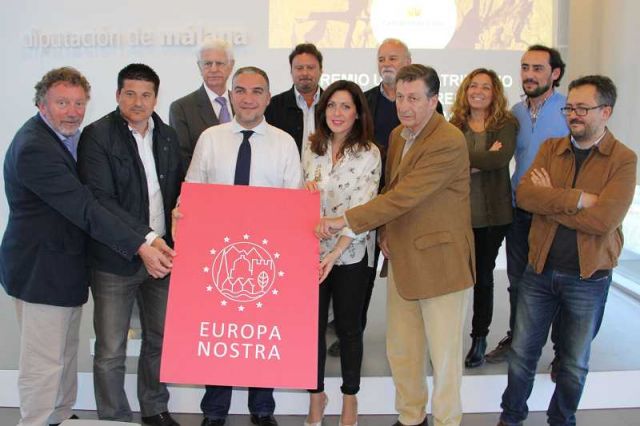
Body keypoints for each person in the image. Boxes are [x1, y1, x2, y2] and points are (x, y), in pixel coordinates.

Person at [0, 67, 169, 426]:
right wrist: (142, 242)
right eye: (62, 103)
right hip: (41, 270)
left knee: (62, 355)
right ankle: (38, 420)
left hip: (62, 269)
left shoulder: (62, 138)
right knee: (45, 362)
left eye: (79, 103)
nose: (73, 111)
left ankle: (59, 416)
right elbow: (86, 206)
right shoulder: (35, 148)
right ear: (42, 105)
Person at [317, 64, 474, 426]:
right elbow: (391, 192)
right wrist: (384, 233)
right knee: (403, 352)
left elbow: (405, 195)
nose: (405, 106)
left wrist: (344, 219)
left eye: (415, 98)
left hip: (441, 266)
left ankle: (447, 421)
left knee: (445, 357)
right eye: (401, 97)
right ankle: (410, 418)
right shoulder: (401, 136)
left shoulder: (448, 140)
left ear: (434, 100)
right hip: (402, 260)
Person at [498, 75, 636, 426]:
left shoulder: (623, 160)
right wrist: (576, 199)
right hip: (539, 271)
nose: (572, 114)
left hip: (588, 278)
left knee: (573, 364)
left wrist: (552, 201)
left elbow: (604, 220)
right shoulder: (551, 149)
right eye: (569, 107)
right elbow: (527, 197)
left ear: (605, 112)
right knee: (521, 357)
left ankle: (561, 420)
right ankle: (510, 418)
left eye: (582, 108)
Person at [179, 66, 302, 426]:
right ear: (231, 95)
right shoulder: (210, 138)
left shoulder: (284, 142)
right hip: (216, 257)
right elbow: (193, 192)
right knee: (221, 334)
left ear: (268, 97)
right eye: (241, 90)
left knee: (261, 335)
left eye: (257, 91)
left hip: (268, 257)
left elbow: (294, 202)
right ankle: (214, 411)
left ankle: (262, 410)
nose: (248, 98)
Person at [77, 64, 183, 426]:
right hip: (114, 259)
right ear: (118, 94)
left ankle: (154, 408)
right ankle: (114, 418)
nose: (138, 102)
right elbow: (101, 200)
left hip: (163, 257)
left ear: (156, 97)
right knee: (110, 349)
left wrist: (172, 234)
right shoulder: (97, 135)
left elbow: (175, 193)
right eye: (130, 93)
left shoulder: (167, 136)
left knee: (161, 340)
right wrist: (147, 240)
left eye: (146, 94)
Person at [301, 80, 381, 426]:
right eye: (332, 105)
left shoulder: (369, 153)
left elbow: (363, 208)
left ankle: (350, 399)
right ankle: (316, 396)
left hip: (351, 254)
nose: (337, 113)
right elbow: (300, 197)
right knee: (311, 329)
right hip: (309, 252)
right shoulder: (311, 148)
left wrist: (334, 254)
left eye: (346, 106)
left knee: (349, 329)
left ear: (358, 112)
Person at [486, 45, 569, 364]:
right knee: (519, 281)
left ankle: (562, 352)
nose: (529, 75)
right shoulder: (514, 114)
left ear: (555, 73)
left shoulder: (568, 110)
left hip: (555, 214)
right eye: (525, 68)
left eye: (537, 68)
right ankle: (517, 340)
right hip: (519, 210)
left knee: (559, 282)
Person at [449, 68, 517, 368]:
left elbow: (498, 159)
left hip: (492, 217)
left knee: (482, 279)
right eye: (473, 85)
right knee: (455, 279)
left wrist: (467, 161)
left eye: (485, 87)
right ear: (465, 90)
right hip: (458, 216)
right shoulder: (454, 124)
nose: (478, 91)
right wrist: (479, 161)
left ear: (495, 93)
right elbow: (447, 161)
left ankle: (479, 338)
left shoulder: (506, 123)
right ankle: (448, 338)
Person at [169, 37, 235, 169]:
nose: (214, 69)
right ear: (199, 66)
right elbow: (182, 158)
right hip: (204, 186)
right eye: (207, 64)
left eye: (220, 63)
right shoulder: (181, 108)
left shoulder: (243, 104)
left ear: (231, 65)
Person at [265, 43, 323, 153]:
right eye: (299, 68)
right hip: (286, 169)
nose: (305, 73)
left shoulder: (332, 104)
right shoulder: (273, 106)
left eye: (310, 68)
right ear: (291, 71)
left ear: (321, 70)